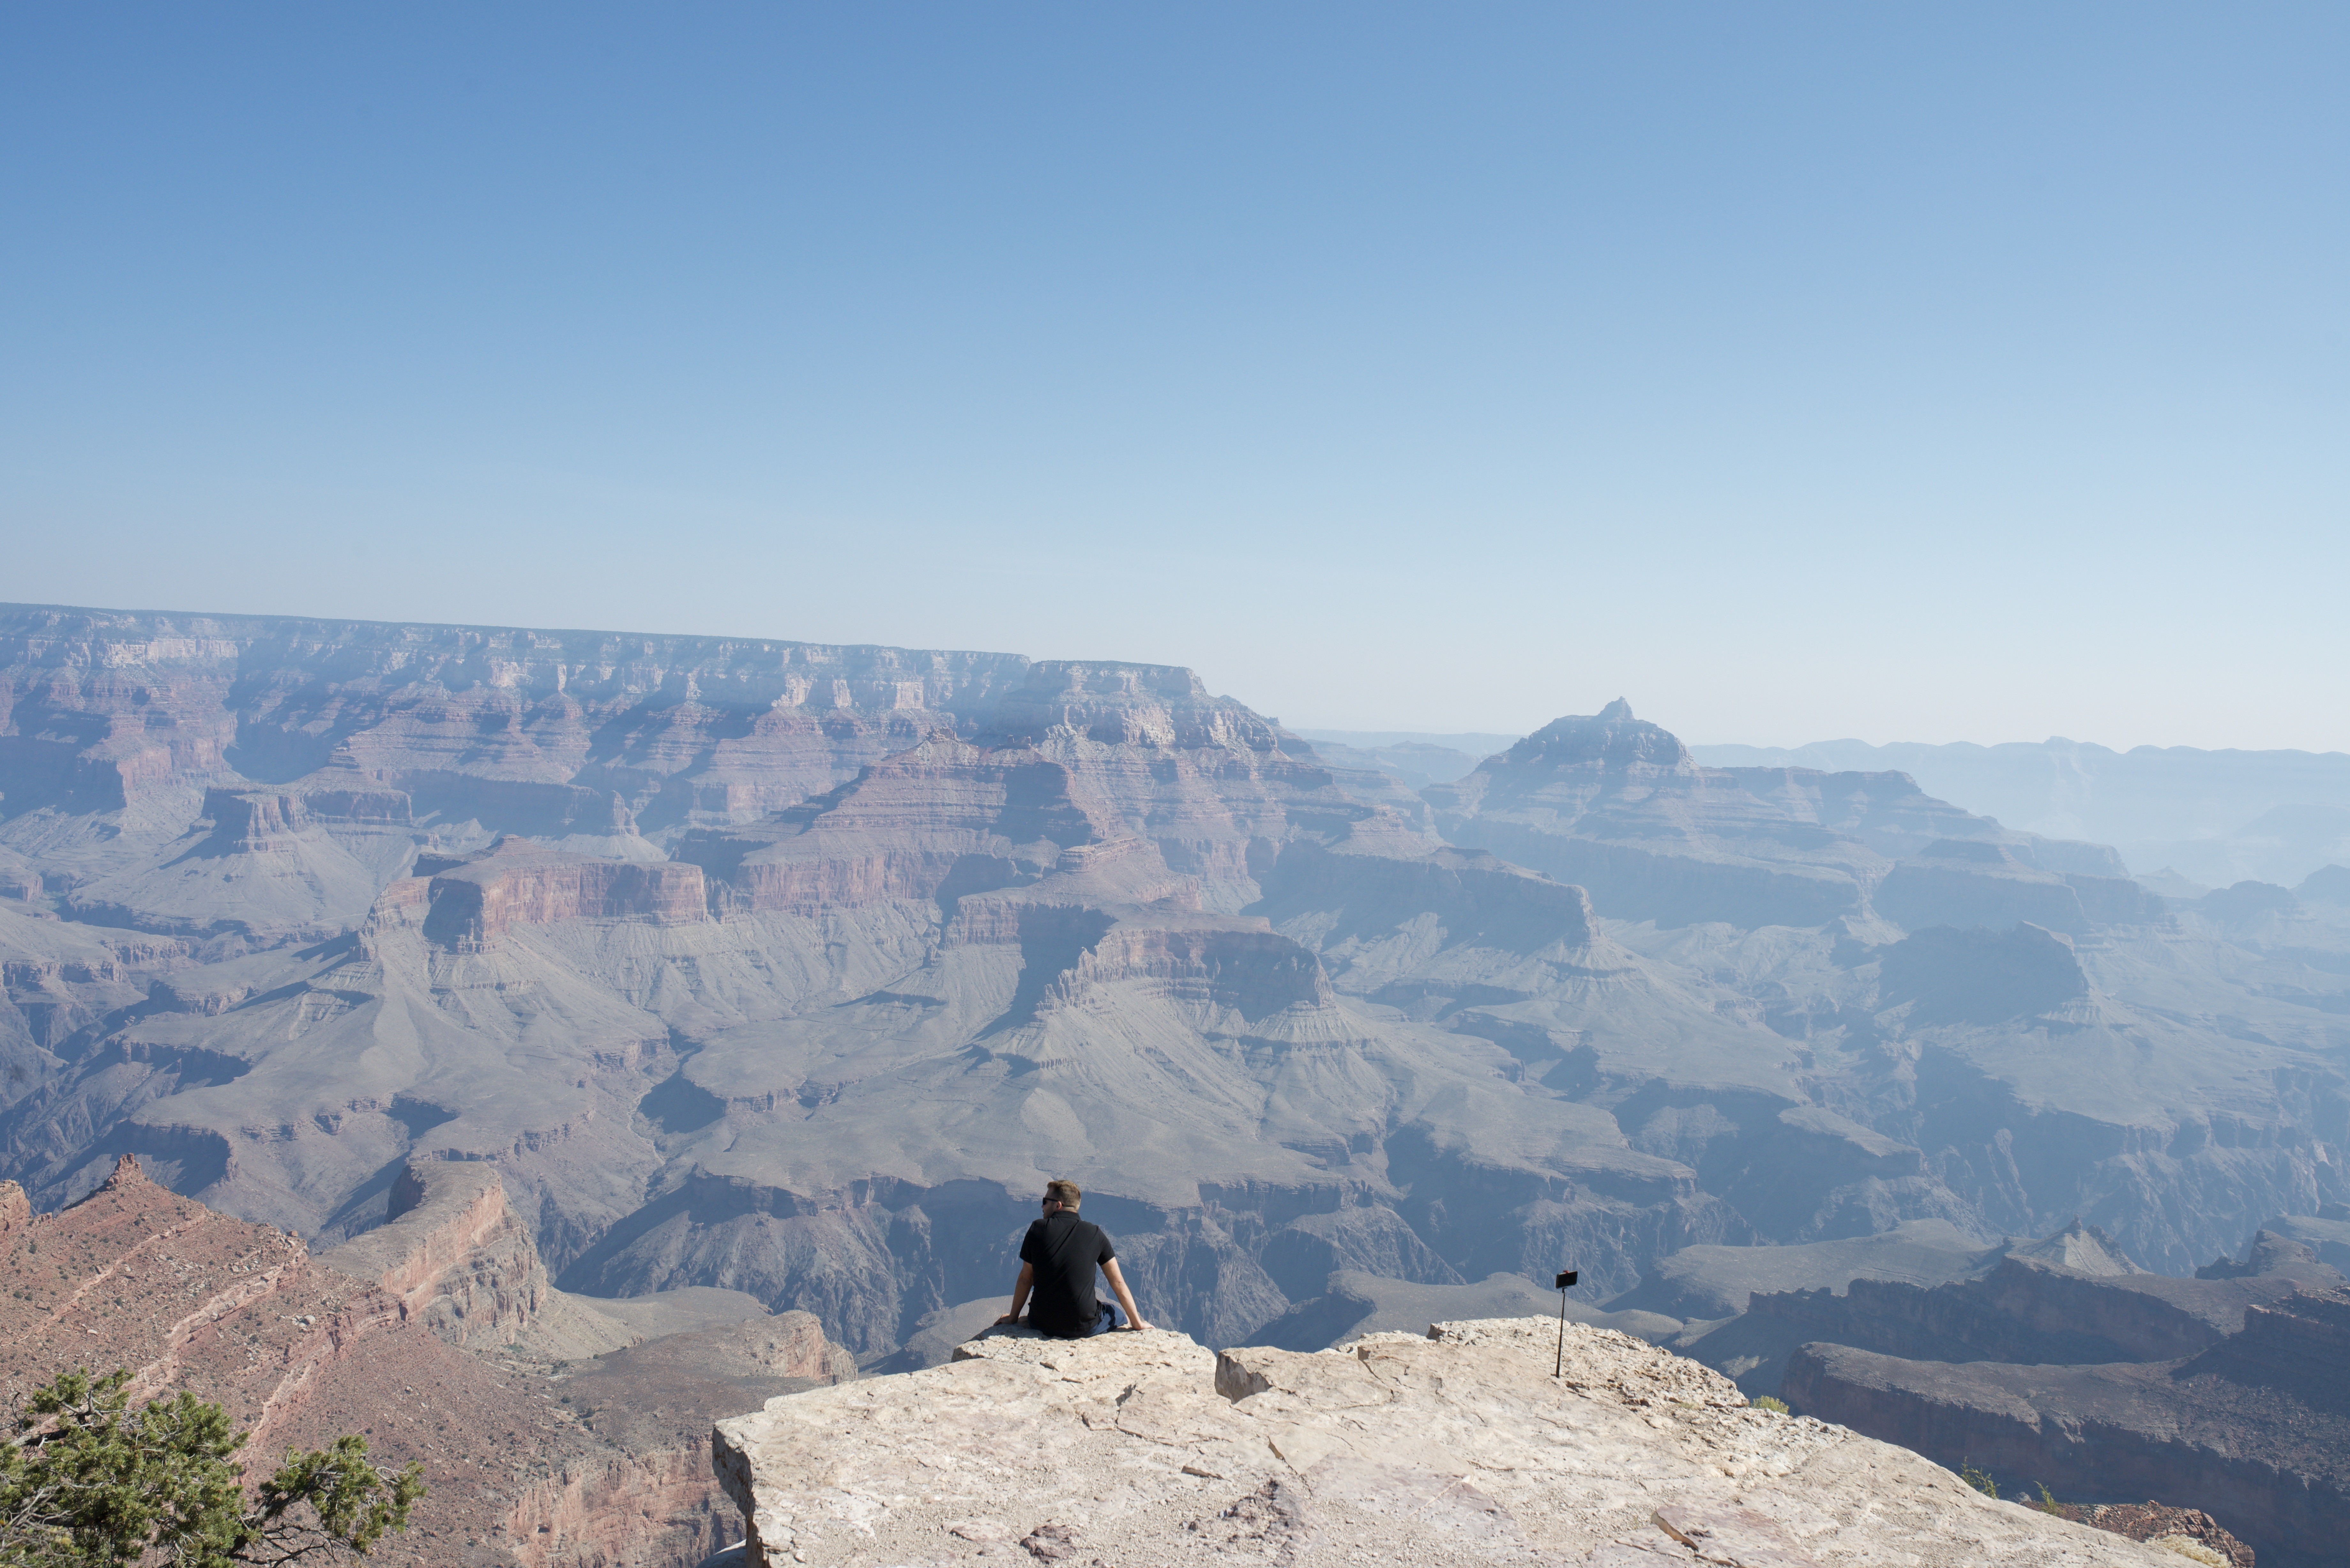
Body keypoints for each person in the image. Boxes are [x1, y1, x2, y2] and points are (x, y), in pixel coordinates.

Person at [997, 1179, 1152, 1337]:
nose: (1042, 1207)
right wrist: (1137, 1323)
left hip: (1041, 1322)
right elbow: (1118, 1282)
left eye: (1045, 1202)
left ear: (1058, 1206)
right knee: (1115, 1312)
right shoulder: (1095, 1234)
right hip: (1085, 1326)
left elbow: (1025, 1278)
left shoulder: (1037, 1229)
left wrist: (1013, 1318)